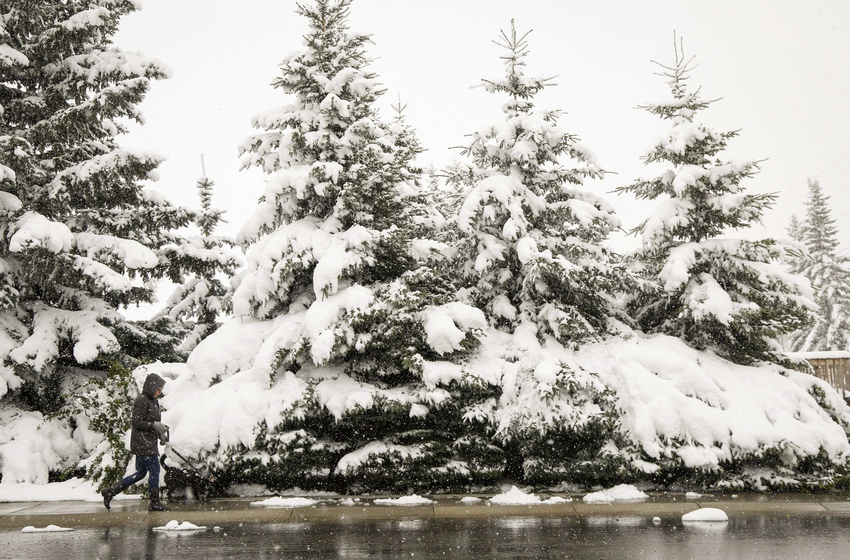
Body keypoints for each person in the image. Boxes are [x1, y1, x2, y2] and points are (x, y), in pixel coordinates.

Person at [101, 372, 171, 512]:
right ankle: (155, 502)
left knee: (141, 473)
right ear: (152, 387)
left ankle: (111, 491)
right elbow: (137, 422)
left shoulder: (153, 401)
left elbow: (151, 422)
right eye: (158, 389)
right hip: (142, 443)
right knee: (155, 469)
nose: (159, 392)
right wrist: (154, 426)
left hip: (148, 441)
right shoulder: (142, 400)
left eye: (161, 389)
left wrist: (160, 434)